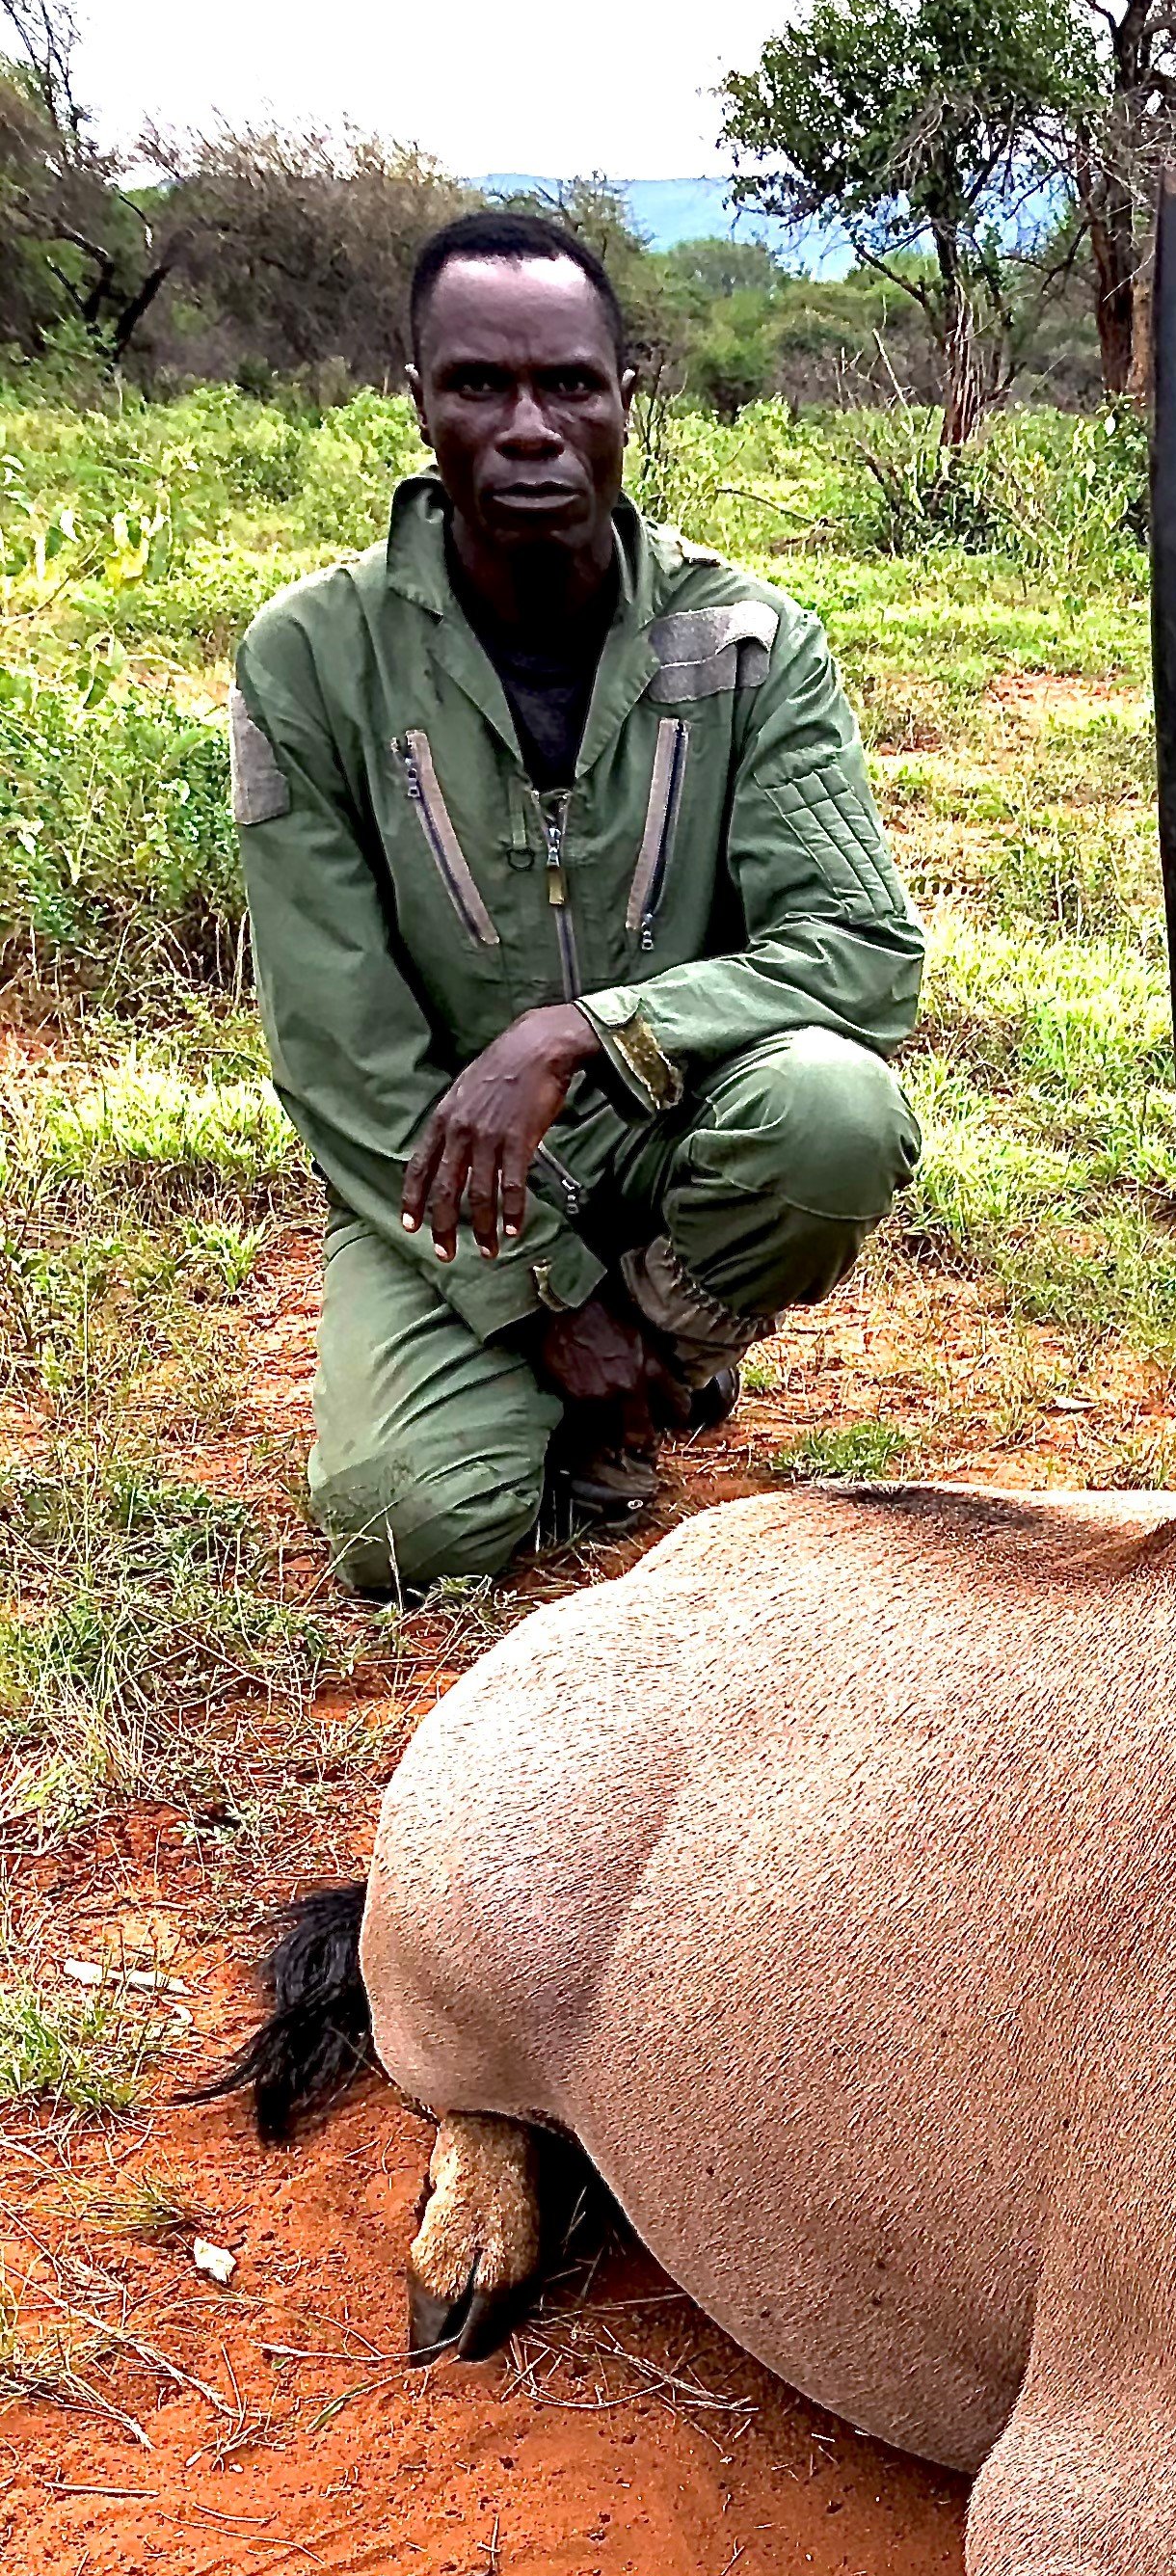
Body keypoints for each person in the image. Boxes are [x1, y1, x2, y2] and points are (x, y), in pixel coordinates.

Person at [228, 208, 925, 1594]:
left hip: (672, 1130)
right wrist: (542, 1294)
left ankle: (659, 1358)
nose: (530, 427)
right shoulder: (309, 660)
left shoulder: (748, 643)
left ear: (627, 402)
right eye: (481, 384)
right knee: (404, 1529)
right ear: (417, 400)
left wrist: (583, 1029)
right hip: (450, 1179)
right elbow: (338, 1050)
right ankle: (584, 1376)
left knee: (836, 1113)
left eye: (570, 386)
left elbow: (861, 954)